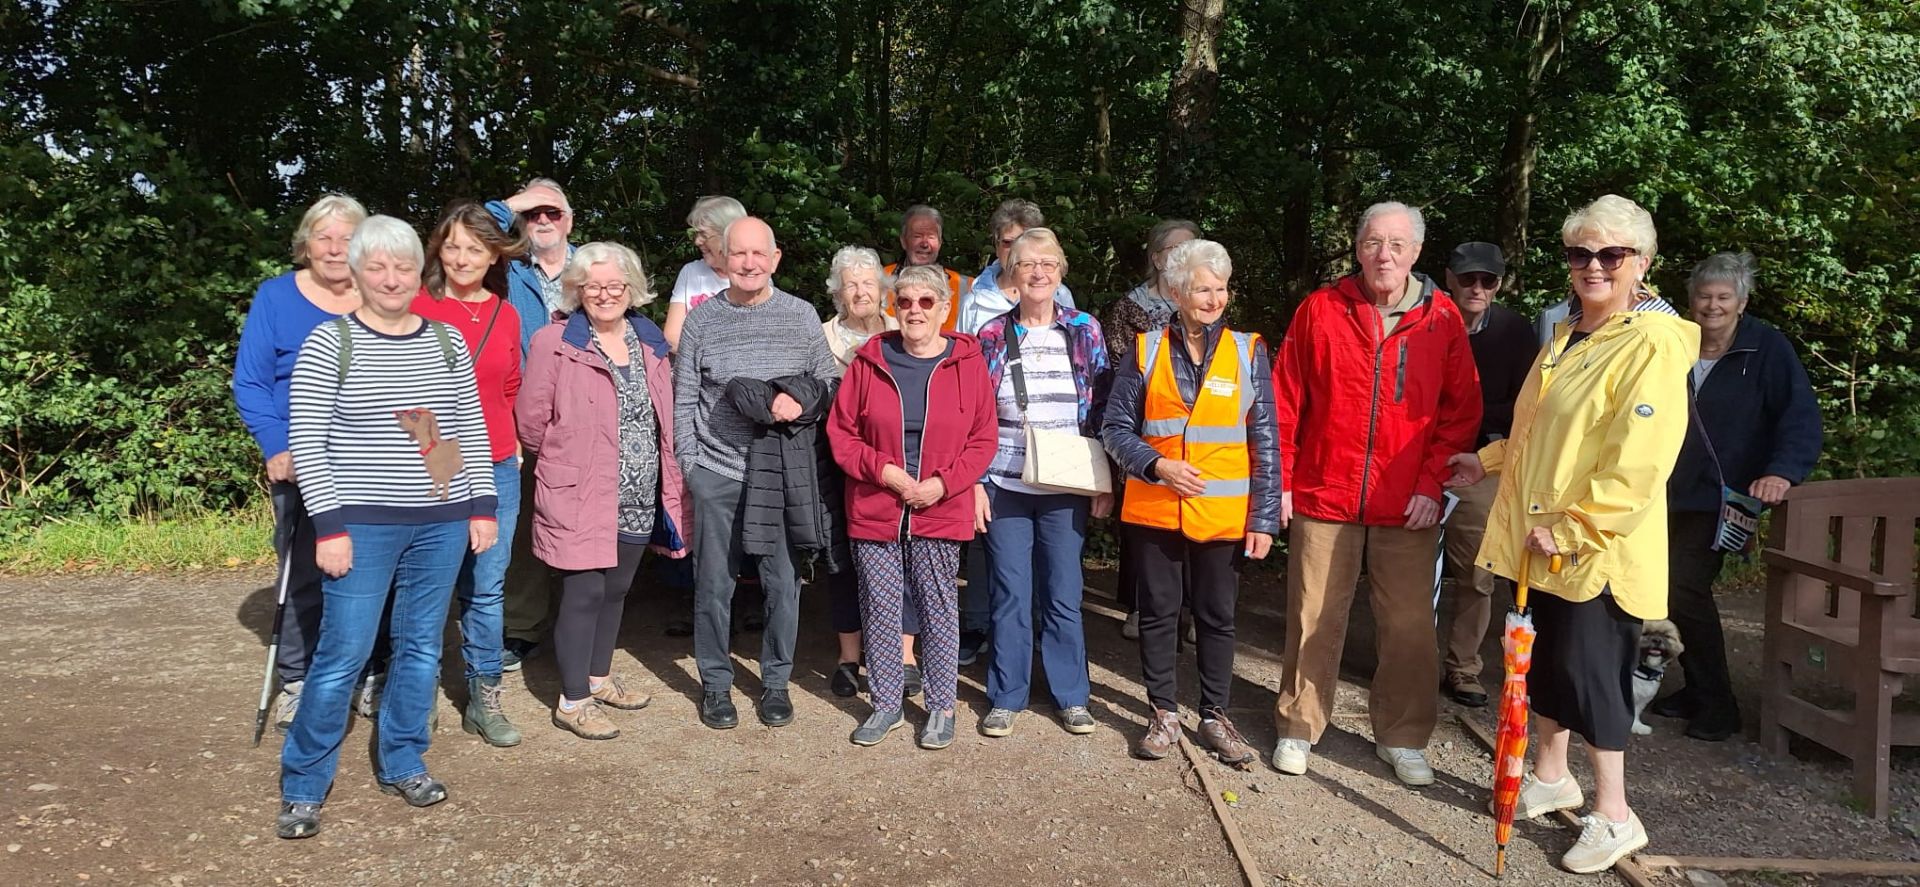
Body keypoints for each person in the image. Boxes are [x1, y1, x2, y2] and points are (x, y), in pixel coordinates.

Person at [1447, 194, 1696, 873]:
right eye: (1581, 253)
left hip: (1593, 547)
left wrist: (1579, 526)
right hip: (1540, 538)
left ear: (1640, 264)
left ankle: (1615, 814)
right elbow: (1538, 434)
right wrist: (1488, 459)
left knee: (1593, 677)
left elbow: (1639, 457)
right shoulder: (1567, 336)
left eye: (1611, 254)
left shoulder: (1647, 343)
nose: (1594, 265)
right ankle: (1552, 774)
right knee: (1547, 666)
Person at [277, 215, 499, 839]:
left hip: (439, 523)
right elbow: (311, 442)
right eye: (377, 267)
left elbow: (456, 431)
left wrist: (477, 503)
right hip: (361, 526)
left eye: (403, 266)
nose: (392, 278)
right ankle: (303, 784)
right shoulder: (330, 342)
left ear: (416, 272)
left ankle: (403, 760)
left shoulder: (446, 341)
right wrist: (331, 525)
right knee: (342, 652)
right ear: (356, 272)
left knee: (422, 647)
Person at [1269, 201, 1481, 786]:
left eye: (1395, 244)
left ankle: (1405, 736)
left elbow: (1459, 413)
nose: (1382, 255)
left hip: (1408, 504)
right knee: (1312, 615)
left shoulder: (1442, 319)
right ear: (1358, 248)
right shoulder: (1321, 309)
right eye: (1371, 242)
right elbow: (1286, 400)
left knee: (1411, 626)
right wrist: (1281, 481)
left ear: (1416, 252)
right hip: (1324, 492)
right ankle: (1298, 726)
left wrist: (1430, 483)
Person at [1101, 239, 1277, 764]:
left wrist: (1263, 518)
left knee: (1217, 617)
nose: (1213, 297)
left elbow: (1265, 438)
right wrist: (1157, 466)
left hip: (1223, 515)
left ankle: (1215, 716)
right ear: (1177, 291)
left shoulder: (1249, 351)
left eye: (1221, 288)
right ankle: (1163, 713)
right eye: (1202, 288)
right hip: (1156, 509)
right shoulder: (1145, 348)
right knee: (1157, 614)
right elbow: (1114, 428)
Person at [675, 216, 841, 730]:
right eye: (738, 254)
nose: (748, 263)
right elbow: (682, 397)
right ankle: (717, 686)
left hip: (783, 472)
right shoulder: (703, 321)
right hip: (718, 470)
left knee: (783, 582)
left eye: (757, 254)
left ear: (775, 259)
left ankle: (775, 684)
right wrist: (691, 466)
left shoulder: (800, 315)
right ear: (723, 260)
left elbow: (829, 382)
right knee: (713, 583)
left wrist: (802, 398)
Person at [518, 242, 689, 740]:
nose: (605, 294)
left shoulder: (649, 338)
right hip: (580, 487)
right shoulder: (555, 341)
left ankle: (598, 677)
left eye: (615, 285)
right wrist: (566, 457)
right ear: (577, 290)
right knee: (585, 590)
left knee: (616, 590)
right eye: (593, 286)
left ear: (631, 289)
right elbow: (531, 419)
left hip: (640, 489)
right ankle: (573, 701)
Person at [828, 264, 998, 749]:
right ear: (892, 308)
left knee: (939, 606)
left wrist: (943, 485)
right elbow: (842, 434)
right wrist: (886, 473)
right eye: (905, 302)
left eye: (927, 302)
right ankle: (886, 705)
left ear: (945, 309)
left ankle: (942, 708)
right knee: (880, 607)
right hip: (877, 503)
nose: (915, 311)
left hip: (940, 507)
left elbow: (984, 438)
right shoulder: (870, 359)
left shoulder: (968, 362)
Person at [1656, 251, 1822, 741]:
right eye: (1704, 296)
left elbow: (1799, 417)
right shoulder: (1673, 344)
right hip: (1661, 490)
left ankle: (1719, 705)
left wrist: (1781, 472)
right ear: (1690, 302)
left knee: (1684, 586)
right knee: (1657, 592)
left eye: (1723, 297)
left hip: (1723, 499)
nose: (1712, 305)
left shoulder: (1766, 348)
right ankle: (1692, 688)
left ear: (1741, 302)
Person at [233, 193, 368, 732]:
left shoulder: (382, 296)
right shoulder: (276, 298)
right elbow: (251, 381)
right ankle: (297, 678)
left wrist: (441, 464)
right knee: (303, 573)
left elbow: (417, 386)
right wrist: (275, 444)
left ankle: (365, 672)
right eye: (323, 237)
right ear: (305, 244)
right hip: (303, 462)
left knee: (372, 573)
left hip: (374, 464)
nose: (335, 249)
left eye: (347, 237)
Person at [972, 227, 1111, 738]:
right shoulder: (989, 335)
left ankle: (1071, 695)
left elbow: (1100, 409)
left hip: (1067, 485)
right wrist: (973, 484)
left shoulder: (1084, 329)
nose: (1038, 273)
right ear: (1012, 270)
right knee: (1010, 592)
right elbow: (975, 413)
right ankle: (1006, 695)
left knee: (1063, 592)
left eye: (1048, 264)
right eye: (1028, 264)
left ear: (1061, 272)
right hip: (1004, 482)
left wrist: (1104, 481)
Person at [408, 202, 529, 747]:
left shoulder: (505, 313)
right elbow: (401, 389)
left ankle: (485, 695)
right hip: (436, 459)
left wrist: (515, 447)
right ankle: (417, 695)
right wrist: (439, 457)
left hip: (499, 461)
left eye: (474, 249)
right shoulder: (417, 304)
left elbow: (510, 387)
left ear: (495, 255)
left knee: (486, 585)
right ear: (438, 248)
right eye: (452, 246)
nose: (461, 258)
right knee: (428, 584)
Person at [1437, 242, 1538, 708]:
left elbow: (1528, 407)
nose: (1477, 288)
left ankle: (1463, 667)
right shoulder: (1425, 321)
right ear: (1449, 278)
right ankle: (1405, 660)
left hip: (1482, 462)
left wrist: (1470, 417)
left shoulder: (1518, 332)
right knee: (1405, 569)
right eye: (1467, 279)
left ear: (1500, 284)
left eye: (1488, 280)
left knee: (1478, 570)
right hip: (1415, 458)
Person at [486, 178, 577, 672]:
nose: (544, 221)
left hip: (583, 419)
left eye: (554, 213)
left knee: (578, 521)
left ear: (571, 220)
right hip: (521, 415)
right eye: (533, 213)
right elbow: (468, 232)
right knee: (521, 527)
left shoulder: (594, 266)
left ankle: (581, 624)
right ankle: (522, 626)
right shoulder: (505, 267)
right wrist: (512, 204)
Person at [820, 246, 917, 698]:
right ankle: (848, 657)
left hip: (901, 465)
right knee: (845, 561)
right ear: (838, 292)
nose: (860, 291)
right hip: (838, 464)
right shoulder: (820, 338)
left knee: (905, 556)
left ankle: (904, 654)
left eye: (868, 283)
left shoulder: (905, 332)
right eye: (850, 283)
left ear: (883, 289)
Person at [1102, 218, 1202, 640]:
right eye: (1177, 249)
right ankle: (1143, 607)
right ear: (1158, 257)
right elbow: (1119, 371)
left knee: (1197, 517)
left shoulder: (1205, 302)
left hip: (1200, 435)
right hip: (1145, 434)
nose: (1185, 257)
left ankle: (1193, 609)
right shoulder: (1130, 307)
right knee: (1145, 524)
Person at [955, 199, 1077, 335]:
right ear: (996, 246)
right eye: (1008, 242)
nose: (1015, 250)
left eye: (1022, 241)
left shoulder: (1059, 295)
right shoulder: (974, 302)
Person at [662, 195, 747, 351]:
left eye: (704, 235)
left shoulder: (753, 277)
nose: (697, 241)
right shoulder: (691, 272)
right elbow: (672, 339)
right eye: (696, 234)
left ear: (727, 236)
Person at [881, 205, 972, 332]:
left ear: (940, 243)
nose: (924, 244)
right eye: (917, 236)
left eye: (931, 237)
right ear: (903, 241)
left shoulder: (967, 287)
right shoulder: (880, 280)